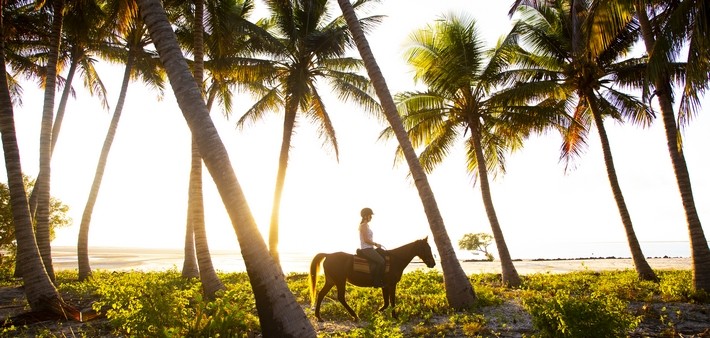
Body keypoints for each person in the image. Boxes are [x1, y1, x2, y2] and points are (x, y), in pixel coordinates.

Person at [358, 207, 385, 287]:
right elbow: (366, 239)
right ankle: (376, 282)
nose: (371, 218)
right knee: (381, 261)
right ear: (365, 216)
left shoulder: (367, 225)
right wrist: (376, 244)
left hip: (370, 248)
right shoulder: (363, 225)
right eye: (370, 216)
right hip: (367, 249)